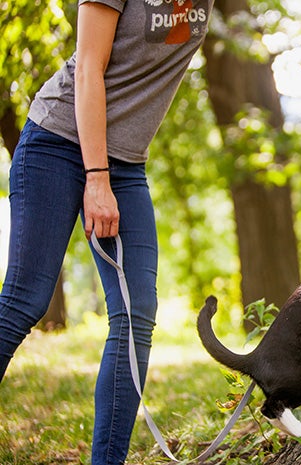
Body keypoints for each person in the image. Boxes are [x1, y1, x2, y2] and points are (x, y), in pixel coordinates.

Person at [0, 0, 214, 463]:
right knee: (24, 300)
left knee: (137, 314)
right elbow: (88, 67)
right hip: (58, 142)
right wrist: (96, 176)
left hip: (125, 162)